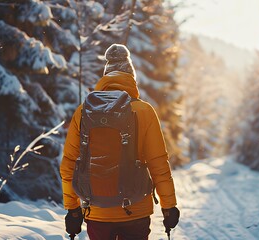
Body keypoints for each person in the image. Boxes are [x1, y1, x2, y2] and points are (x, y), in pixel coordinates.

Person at [60, 44, 180, 240]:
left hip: (97, 212)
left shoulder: (84, 111)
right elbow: (158, 164)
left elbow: (69, 165)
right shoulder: (145, 111)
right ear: (131, 77)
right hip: (136, 211)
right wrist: (169, 206)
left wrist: (72, 209)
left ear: (105, 77)